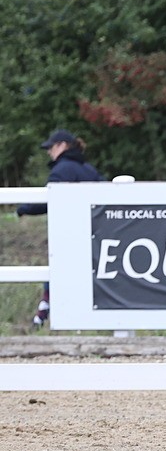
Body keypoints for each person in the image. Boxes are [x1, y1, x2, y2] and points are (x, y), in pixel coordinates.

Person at [16, 129, 104, 327]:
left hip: (69, 231)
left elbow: (50, 201)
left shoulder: (61, 170)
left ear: (63, 145)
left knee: (56, 269)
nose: (49, 152)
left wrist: (24, 209)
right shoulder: (89, 169)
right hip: (94, 232)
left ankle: (42, 315)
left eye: (51, 147)